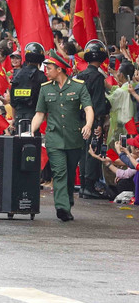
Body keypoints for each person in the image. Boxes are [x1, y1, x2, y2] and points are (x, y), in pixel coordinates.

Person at [30, 50, 94, 221]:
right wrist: (31, 131)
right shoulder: (45, 89)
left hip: (74, 138)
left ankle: (67, 203)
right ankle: (61, 207)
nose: (46, 71)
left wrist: (88, 125)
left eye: (49, 68)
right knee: (59, 172)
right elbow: (39, 114)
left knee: (70, 173)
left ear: (59, 69)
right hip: (54, 138)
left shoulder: (78, 86)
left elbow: (88, 108)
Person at [78, 39, 112, 200]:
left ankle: (83, 186)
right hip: (92, 121)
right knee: (92, 151)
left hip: (79, 120)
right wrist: (98, 123)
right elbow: (97, 103)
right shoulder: (97, 77)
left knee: (83, 152)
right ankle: (89, 187)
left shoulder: (80, 75)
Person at [7, 42, 47, 131]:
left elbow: (13, 101)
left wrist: (14, 118)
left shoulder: (17, 75)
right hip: (36, 119)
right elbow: (44, 100)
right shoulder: (41, 76)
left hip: (19, 119)